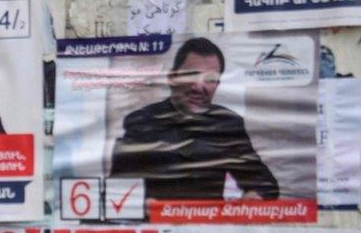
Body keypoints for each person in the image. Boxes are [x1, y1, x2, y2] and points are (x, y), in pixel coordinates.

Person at [109, 37, 279, 201]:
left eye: (210, 79)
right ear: (172, 78)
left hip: (208, 227)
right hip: (155, 225)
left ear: (217, 85)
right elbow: (117, 191)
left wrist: (255, 195)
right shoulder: (141, 122)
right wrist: (141, 205)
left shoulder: (227, 124)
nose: (199, 86)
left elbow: (266, 184)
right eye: (191, 75)